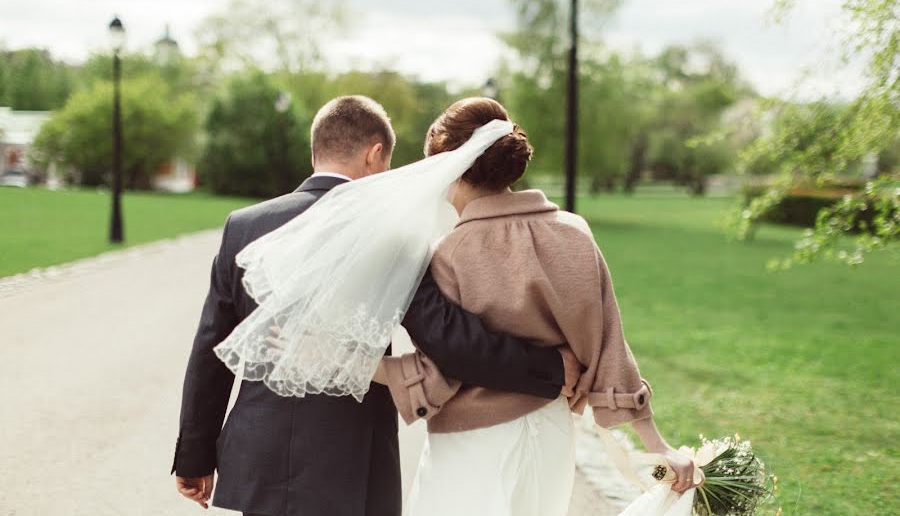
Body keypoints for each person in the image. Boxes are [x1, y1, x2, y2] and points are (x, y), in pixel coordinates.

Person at [172, 96, 582, 516]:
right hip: (351, 463)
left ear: (316, 151)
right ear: (374, 155)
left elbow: (212, 348)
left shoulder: (244, 226)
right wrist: (550, 369)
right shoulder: (391, 234)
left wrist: (195, 455)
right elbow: (449, 340)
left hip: (263, 460)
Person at [374, 97, 704, 516]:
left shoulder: (449, 253)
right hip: (551, 435)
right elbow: (610, 346)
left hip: (469, 446)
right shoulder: (574, 234)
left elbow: (443, 370)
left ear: (451, 167)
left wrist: (357, 367)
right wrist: (658, 445)